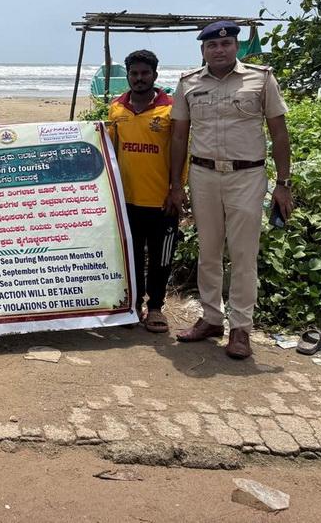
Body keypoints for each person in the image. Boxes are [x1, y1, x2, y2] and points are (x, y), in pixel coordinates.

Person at [166, 21, 293, 359]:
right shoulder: (188, 83)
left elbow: (279, 133)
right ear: (203, 50)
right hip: (203, 175)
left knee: (243, 254)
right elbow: (179, 136)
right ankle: (211, 319)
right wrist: (176, 185)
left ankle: (240, 329)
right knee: (208, 252)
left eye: (225, 45)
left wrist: (283, 183)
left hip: (247, 177)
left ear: (236, 47)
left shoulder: (261, 78)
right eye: (211, 46)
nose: (218, 50)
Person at [108, 50, 179, 334]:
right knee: (132, 255)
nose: (139, 78)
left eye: (144, 73)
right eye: (134, 74)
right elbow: (110, 150)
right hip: (127, 199)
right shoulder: (116, 108)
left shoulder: (172, 109)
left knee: (161, 257)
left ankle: (157, 307)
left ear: (155, 76)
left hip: (162, 199)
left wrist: (176, 189)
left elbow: (180, 151)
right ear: (127, 76)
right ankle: (133, 305)